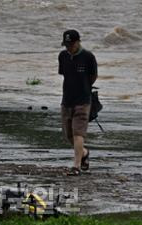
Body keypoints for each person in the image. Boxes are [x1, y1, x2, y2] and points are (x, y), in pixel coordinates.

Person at [58, 29, 97, 176]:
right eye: (66, 45)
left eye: (71, 44)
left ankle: (76, 166)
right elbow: (64, 74)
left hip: (83, 101)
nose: (69, 48)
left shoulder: (88, 57)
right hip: (67, 99)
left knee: (78, 133)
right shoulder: (62, 56)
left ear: (78, 42)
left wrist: (84, 88)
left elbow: (94, 76)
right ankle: (84, 153)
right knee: (68, 134)